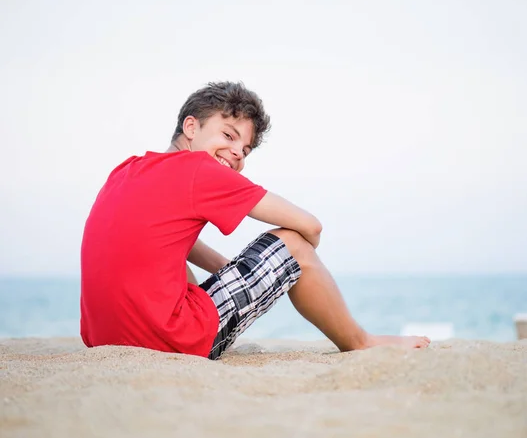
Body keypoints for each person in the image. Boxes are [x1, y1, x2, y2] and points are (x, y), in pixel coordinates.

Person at [80, 81, 430, 359]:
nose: (236, 153)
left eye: (245, 150)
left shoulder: (128, 169)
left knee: (173, 265)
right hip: (168, 341)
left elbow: (161, 237)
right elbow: (311, 225)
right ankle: (361, 341)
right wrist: (300, 256)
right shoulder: (199, 169)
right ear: (191, 126)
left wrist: (225, 268)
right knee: (292, 243)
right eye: (228, 135)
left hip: (103, 339)